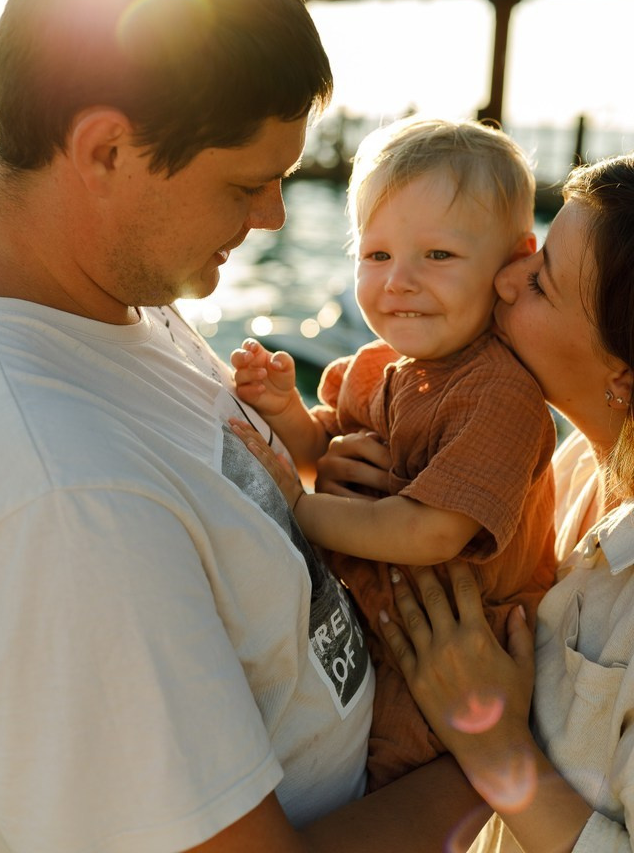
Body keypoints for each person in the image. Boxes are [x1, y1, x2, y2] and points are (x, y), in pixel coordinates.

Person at [0, 0, 488, 851]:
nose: (272, 218)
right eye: (242, 184)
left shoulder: (110, 297)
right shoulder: (69, 495)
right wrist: (505, 765)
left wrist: (312, 475)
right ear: (105, 149)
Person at [315, 151, 634, 850]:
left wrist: (496, 750)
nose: (509, 276)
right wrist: (356, 475)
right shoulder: (576, 465)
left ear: (623, 376)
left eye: (543, 281)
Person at [230, 116, 557, 790]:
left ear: (513, 263)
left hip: (458, 662)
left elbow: (431, 528)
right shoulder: (380, 366)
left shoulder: (500, 394)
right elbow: (328, 448)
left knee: (382, 796)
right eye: (376, 255)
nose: (399, 282)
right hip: (386, 637)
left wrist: (297, 505)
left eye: (437, 256)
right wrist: (285, 411)